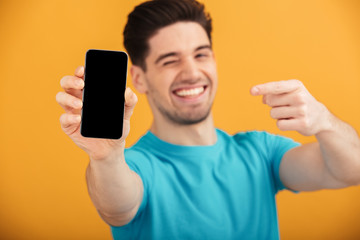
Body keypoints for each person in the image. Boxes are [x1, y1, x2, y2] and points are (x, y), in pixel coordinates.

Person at [55, 0, 360, 239]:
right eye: (170, 60)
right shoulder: (134, 166)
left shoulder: (261, 152)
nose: (191, 72)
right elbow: (117, 209)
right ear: (140, 78)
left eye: (201, 54)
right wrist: (107, 157)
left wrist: (324, 122)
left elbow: (351, 170)